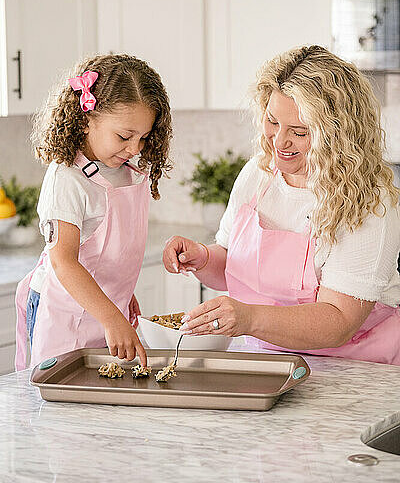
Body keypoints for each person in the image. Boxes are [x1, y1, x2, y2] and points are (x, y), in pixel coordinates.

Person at [163, 45, 400, 365]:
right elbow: (231, 265)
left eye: (299, 132)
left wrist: (248, 319)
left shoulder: (368, 201)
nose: (278, 141)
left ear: (336, 134)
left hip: (358, 369)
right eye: (272, 121)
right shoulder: (257, 176)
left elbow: (340, 321)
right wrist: (203, 258)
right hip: (268, 359)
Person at [15, 54, 172, 370]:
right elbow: (64, 262)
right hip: (63, 316)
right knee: (60, 407)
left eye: (143, 137)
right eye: (124, 136)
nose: (135, 148)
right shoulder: (67, 179)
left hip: (105, 312)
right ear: (87, 119)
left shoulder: (128, 171)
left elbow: (112, 255)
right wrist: (112, 316)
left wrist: (123, 295)